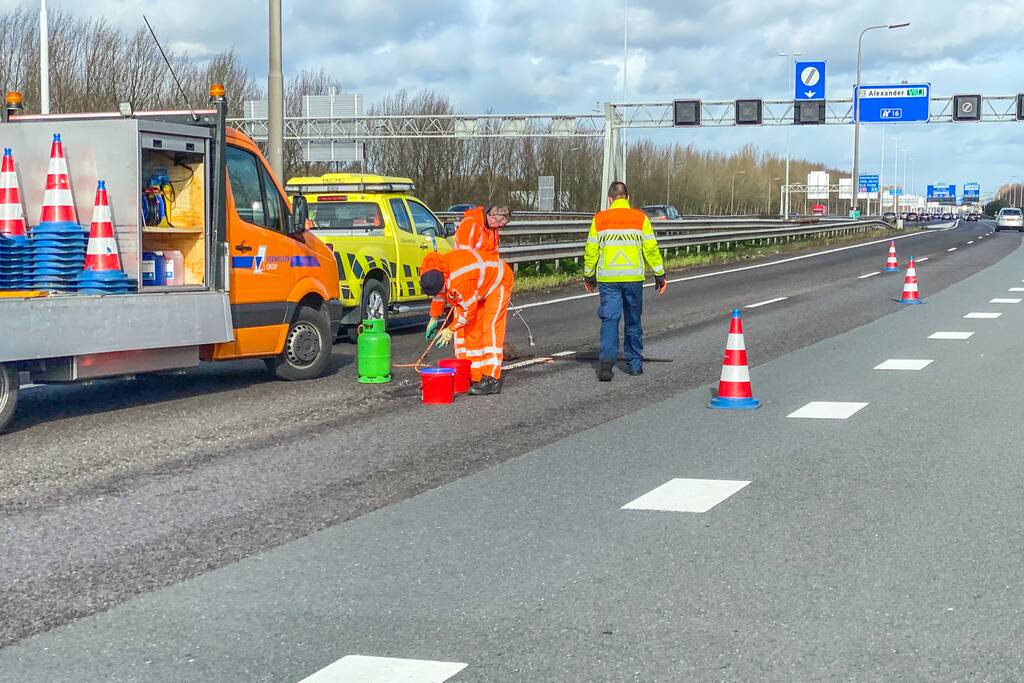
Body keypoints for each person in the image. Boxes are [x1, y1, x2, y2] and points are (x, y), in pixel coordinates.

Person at [583, 181, 666, 382]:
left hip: (608, 280)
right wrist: (659, 273)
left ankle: (606, 364)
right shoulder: (640, 219)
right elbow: (651, 248)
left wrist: (589, 275)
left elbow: (591, 249)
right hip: (633, 279)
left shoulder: (599, 220)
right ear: (628, 198)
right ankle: (635, 365)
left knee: (610, 320)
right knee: (633, 320)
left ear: (610, 199)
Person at [420, 248, 514, 395]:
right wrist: (434, 317)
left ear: (444, 280)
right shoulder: (432, 270)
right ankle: (475, 375)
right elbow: (440, 295)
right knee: (472, 329)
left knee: (490, 327)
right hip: (479, 284)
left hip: (498, 281)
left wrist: (450, 330)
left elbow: (467, 312)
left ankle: (492, 379)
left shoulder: (460, 280)